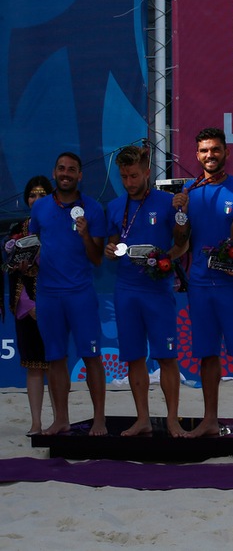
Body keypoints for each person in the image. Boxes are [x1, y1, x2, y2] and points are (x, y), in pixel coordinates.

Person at [176, 128, 233, 440]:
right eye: (204, 151)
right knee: (207, 355)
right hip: (199, 285)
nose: (209, 155)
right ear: (197, 156)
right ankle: (210, 419)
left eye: (215, 150)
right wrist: (180, 215)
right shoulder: (188, 192)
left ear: (226, 152)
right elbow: (182, 242)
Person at [104, 146, 189, 437]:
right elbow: (113, 245)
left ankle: (173, 419)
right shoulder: (115, 207)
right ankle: (142, 418)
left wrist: (169, 258)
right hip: (126, 290)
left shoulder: (167, 202)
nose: (129, 182)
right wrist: (111, 250)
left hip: (157, 291)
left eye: (134, 175)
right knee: (134, 357)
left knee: (166, 356)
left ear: (147, 172)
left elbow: (183, 243)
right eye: (124, 176)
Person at [30, 153, 107, 436]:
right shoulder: (39, 208)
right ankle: (61, 418)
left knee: (92, 356)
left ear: (80, 175)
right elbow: (35, 244)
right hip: (48, 295)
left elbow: (97, 258)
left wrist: (86, 234)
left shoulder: (94, 209)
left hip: (80, 294)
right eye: (61, 168)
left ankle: (99, 419)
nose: (66, 173)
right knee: (55, 358)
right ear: (54, 172)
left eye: (72, 169)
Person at [5, 176, 53, 435]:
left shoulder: (58, 228)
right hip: (26, 306)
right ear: (26, 199)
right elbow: (12, 272)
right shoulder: (16, 231)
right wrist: (28, 305)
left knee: (55, 366)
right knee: (34, 368)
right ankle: (36, 422)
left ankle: (60, 420)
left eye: (42, 194)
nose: (36, 199)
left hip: (55, 304)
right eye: (32, 195)